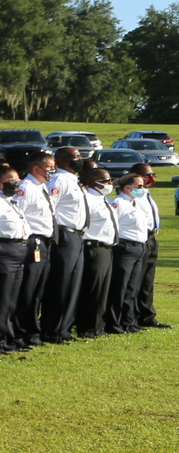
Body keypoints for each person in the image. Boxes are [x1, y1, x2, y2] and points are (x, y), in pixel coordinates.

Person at [41, 146, 87, 344]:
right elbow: (50, 207)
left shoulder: (74, 180)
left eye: (79, 156)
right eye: (75, 157)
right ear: (61, 160)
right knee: (60, 284)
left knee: (73, 284)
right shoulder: (59, 180)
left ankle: (64, 329)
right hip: (64, 235)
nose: (79, 159)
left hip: (77, 235)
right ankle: (51, 329)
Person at [0, 161, 31, 353]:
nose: (16, 183)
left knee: (12, 300)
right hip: (2, 250)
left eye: (17, 179)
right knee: (1, 299)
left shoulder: (11, 200)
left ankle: (7, 337)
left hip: (19, 250)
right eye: (11, 180)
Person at [14, 150, 57, 346]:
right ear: (37, 168)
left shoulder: (42, 187)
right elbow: (18, 214)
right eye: (49, 167)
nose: (53, 170)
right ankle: (22, 332)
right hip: (34, 242)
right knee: (28, 290)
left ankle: (32, 330)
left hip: (45, 242)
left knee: (38, 290)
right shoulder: (27, 188)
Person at [74, 163, 118, 339]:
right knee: (93, 289)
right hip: (94, 246)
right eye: (106, 181)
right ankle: (87, 327)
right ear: (94, 183)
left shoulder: (103, 200)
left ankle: (98, 326)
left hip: (107, 247)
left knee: (103, 290)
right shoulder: (88, 200)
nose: (110, 184)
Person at [106, 171, 149, 335]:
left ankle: (128, 322)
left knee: (132, 288)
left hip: (138, 247)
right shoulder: (119, 203)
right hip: (124, 248)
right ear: (128, 187)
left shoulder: (135, 203)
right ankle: (114, 323)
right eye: (139, 186)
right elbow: (112, 226)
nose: (143, 189)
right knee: (120, 286)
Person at [129, 162, 168, 330]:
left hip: (151, 238)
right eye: (147, 175)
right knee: (136, 280)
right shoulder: (133, 194)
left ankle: (147, 315)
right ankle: (132, 317)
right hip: (140, 237)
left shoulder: (146, 193)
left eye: (152, 174)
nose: (150, 178)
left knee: (147, 280)